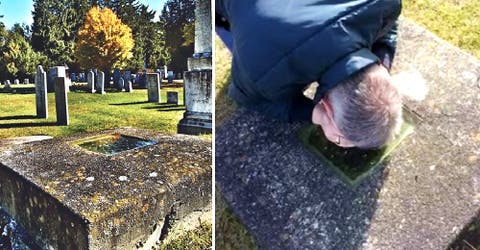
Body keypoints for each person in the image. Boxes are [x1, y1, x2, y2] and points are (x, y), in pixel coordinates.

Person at [216, 0, 403, 149]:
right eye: (339, 139)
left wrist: (382, 66)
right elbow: (247, 97)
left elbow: (387, 24)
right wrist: (315, 115)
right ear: (327, 107)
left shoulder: (383, 4)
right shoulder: (261, 73)